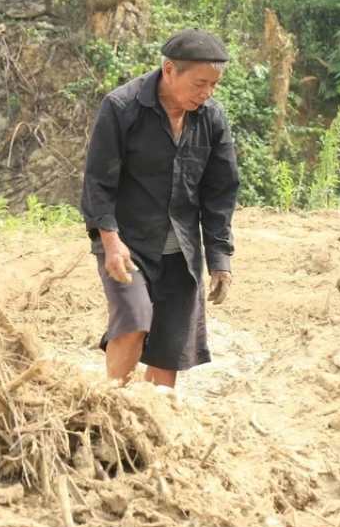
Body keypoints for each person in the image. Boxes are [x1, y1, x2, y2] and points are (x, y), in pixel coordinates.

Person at [80, 28, 241, 387]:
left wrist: (219, 259)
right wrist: (110, 241)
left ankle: (155, 426)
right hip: (127, 244)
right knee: (133, 321)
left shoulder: (211, 118)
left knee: (171, 348)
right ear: (169, 70)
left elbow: (220, 193)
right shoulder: (122, 108)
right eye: (200, 83)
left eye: (213, 85)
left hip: (181, 252)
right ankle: (112, 408)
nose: (207, 93)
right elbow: (98, 182)